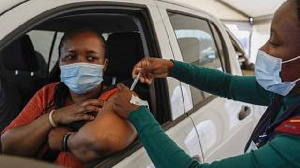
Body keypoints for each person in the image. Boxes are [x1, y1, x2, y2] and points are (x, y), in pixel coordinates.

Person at [110, 0, 300, 167]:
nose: (262, 49)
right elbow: (228, 85)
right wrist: (171, 68)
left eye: (275, 42)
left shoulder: (294, 148)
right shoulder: (288, 91)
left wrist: (137, 112)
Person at [1, 28, 137, 168]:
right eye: (71, 57)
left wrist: (64, 140)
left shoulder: (118, 97)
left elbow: (99, 141)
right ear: (60, 62)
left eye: (91, 58)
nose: (80, 64)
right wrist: (53, 118)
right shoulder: (50, 93)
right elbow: (6, 146)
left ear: (104, 65)